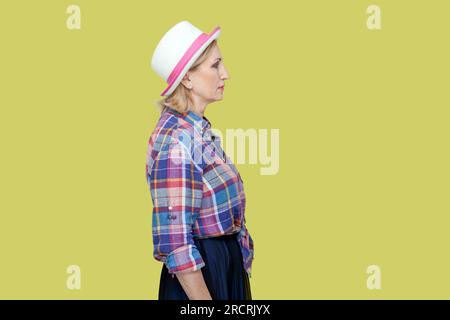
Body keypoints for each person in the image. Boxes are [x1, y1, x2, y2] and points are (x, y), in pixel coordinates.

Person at [146, 20, 254, 300]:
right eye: (215, 65)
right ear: (187, 78)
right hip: (203, 278)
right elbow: (176, 242)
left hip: (222, 267)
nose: (226, 74)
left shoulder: (197, 129)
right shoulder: (176, 141)